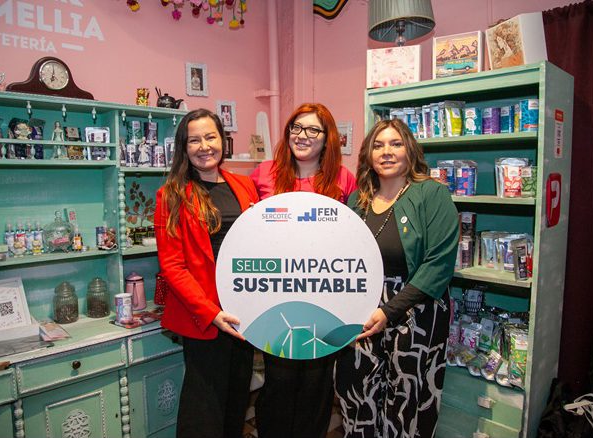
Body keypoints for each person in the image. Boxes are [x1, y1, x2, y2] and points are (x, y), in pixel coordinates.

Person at [334, 118, 459, 438]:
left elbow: (439, 263)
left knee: (405, 402)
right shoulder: (357, 200)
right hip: (364, 310)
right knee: (356, 392)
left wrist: (388, 311)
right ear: (368, 155)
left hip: (415, 312)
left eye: (395, 144)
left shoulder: (431, 193)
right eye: (378, 146)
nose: (386, 152)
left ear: (410, 150)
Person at [250, 103, 356, 438]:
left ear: (327, 138)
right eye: (296, 127)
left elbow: (355, 237)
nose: (302, 135)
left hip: (325, 297)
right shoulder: (264, 173)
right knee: (279, 379)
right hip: (275, 297)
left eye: (313, 129)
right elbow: (246, 232)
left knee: (317, 382)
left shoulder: (343, 178)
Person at [155, 108, 258, 438]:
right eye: (194, 140)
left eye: (210, 137)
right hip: (206, 317)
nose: (204, 146)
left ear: (222, 141)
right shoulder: (171, 195)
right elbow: (173, 266)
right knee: (203, 410)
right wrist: (211, 313)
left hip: (242, 314)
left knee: (235, 403)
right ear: (184, 148)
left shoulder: (244, 185)